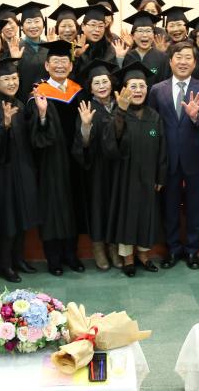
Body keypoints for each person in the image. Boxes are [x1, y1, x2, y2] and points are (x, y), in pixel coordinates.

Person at [148, 41, 199, 269]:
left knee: (195, 208)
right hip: (167, 159)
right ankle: (173, 249)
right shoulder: (157, 90)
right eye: (179, 57)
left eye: (188, 58)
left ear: (195, 63)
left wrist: (196, 117)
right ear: (170, 61)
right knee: (170, 208)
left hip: (195, 158)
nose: (183, 62)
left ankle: (193, 251)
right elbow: (152, 124)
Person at [103, 62, 167, 277]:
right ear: (124, 90)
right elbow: (111, 144)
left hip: (148, 177)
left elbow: (162, 148)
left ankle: (144, 255)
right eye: (133, 86)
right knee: (127, 215)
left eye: (142, 86)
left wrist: (160, 176)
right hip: (125, 177)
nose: (138, 91)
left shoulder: (154, 116)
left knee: (146, 215)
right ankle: (128, 258)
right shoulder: (118, 114)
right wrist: (121, 111)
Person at [0, 58, 41, 282]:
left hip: (23, 169)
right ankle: (5, 265)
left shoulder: (21, 104)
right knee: (9, 221)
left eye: (14, 78)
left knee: (22, 215)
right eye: (6, 79)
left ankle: (19, 259)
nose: (11, 82)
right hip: (4, 173)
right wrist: (3, 126)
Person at [29, 40, 87, 275]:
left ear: (71, 66)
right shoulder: (38, 94)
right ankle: (53, 259)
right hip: (50, 160)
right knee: (52, 208)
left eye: (65, 61)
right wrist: (42, 116)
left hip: (75, 158)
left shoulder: (78, 91)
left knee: (73, 205)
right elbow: (34, 133)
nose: (60, 65)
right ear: (47, 65)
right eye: (55, 61)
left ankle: (71, 255)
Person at [72, 58, 120, 271]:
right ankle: (98, 247)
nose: (102, 86)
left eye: (105, 82)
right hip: (97, 168)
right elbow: (81, 144)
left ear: (111, 83)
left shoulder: (121, 104)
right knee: (99, 207)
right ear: (90, 88)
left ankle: (114, 247)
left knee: (117, 205)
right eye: (96, 83)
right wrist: (85, 127)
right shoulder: (87, 108)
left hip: (118, 167)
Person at [121, 10, 171, 88]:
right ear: (133, 36)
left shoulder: (163, 58)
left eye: (148, 31)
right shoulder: (127, 57)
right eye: (140, 31)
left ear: (153, 35)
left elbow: (166, 83)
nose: (145, 35)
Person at [13, 1, 50, 100]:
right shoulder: (16, 48)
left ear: (44, 24)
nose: (33, 26)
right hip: (24, 100)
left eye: (37, 21)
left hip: (49, 99)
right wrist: (14, 61)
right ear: (22, 26)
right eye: (29, 22)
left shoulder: (49, 47)